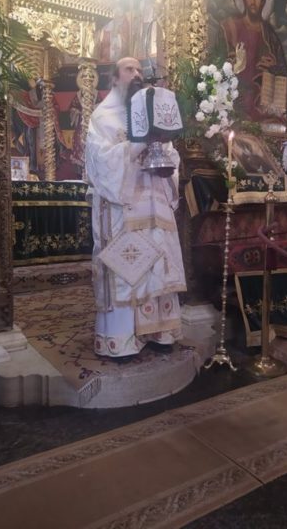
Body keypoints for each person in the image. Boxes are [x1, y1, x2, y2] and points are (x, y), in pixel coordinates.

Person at [85, 57, 186, 360]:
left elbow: (171, 155)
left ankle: (160, 332)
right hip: (123, 207)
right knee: (128, 269)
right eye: (129, 69)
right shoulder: (102, 117)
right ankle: (122, 339)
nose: (137, 74)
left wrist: (165, 156)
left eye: (139, 69)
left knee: (157, 265)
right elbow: (100, 162)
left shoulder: (151, 112)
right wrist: (137, 146)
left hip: (154, 204)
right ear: (115, 79)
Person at [221, 0, 287, 129]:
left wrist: (274, 68)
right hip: (237, 99)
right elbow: (218, 67)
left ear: (263, 0)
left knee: (277, 124)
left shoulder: (270, 35)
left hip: (263, 102)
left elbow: (284, 77)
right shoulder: (230, 27)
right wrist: (235, 64)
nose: (253, 1)